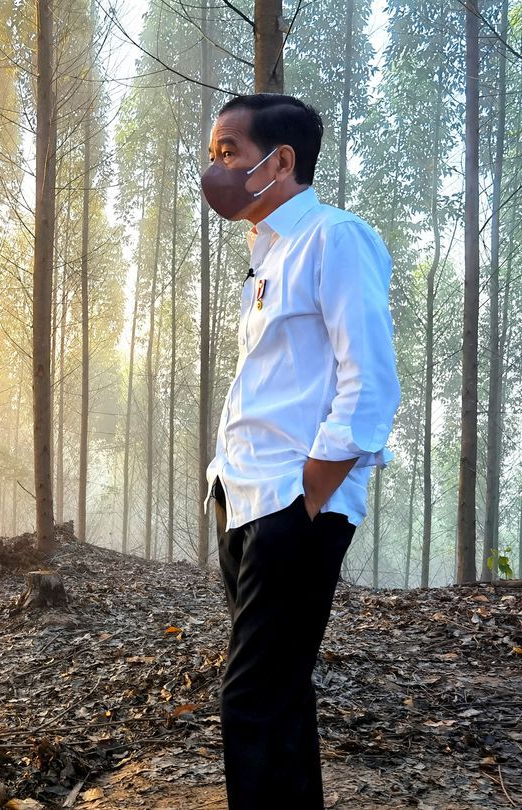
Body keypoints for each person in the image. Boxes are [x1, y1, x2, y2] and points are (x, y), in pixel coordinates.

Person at [200, 93, 401, 809]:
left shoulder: (334, 238)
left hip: (292, 504)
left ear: (280, 161)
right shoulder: (269, 251)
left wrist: (311, 492)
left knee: (249, 701)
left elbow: (370, 380)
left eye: (229, 152)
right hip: (244, 498)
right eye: (214, 152)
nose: (215, 168)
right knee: (280, 697)